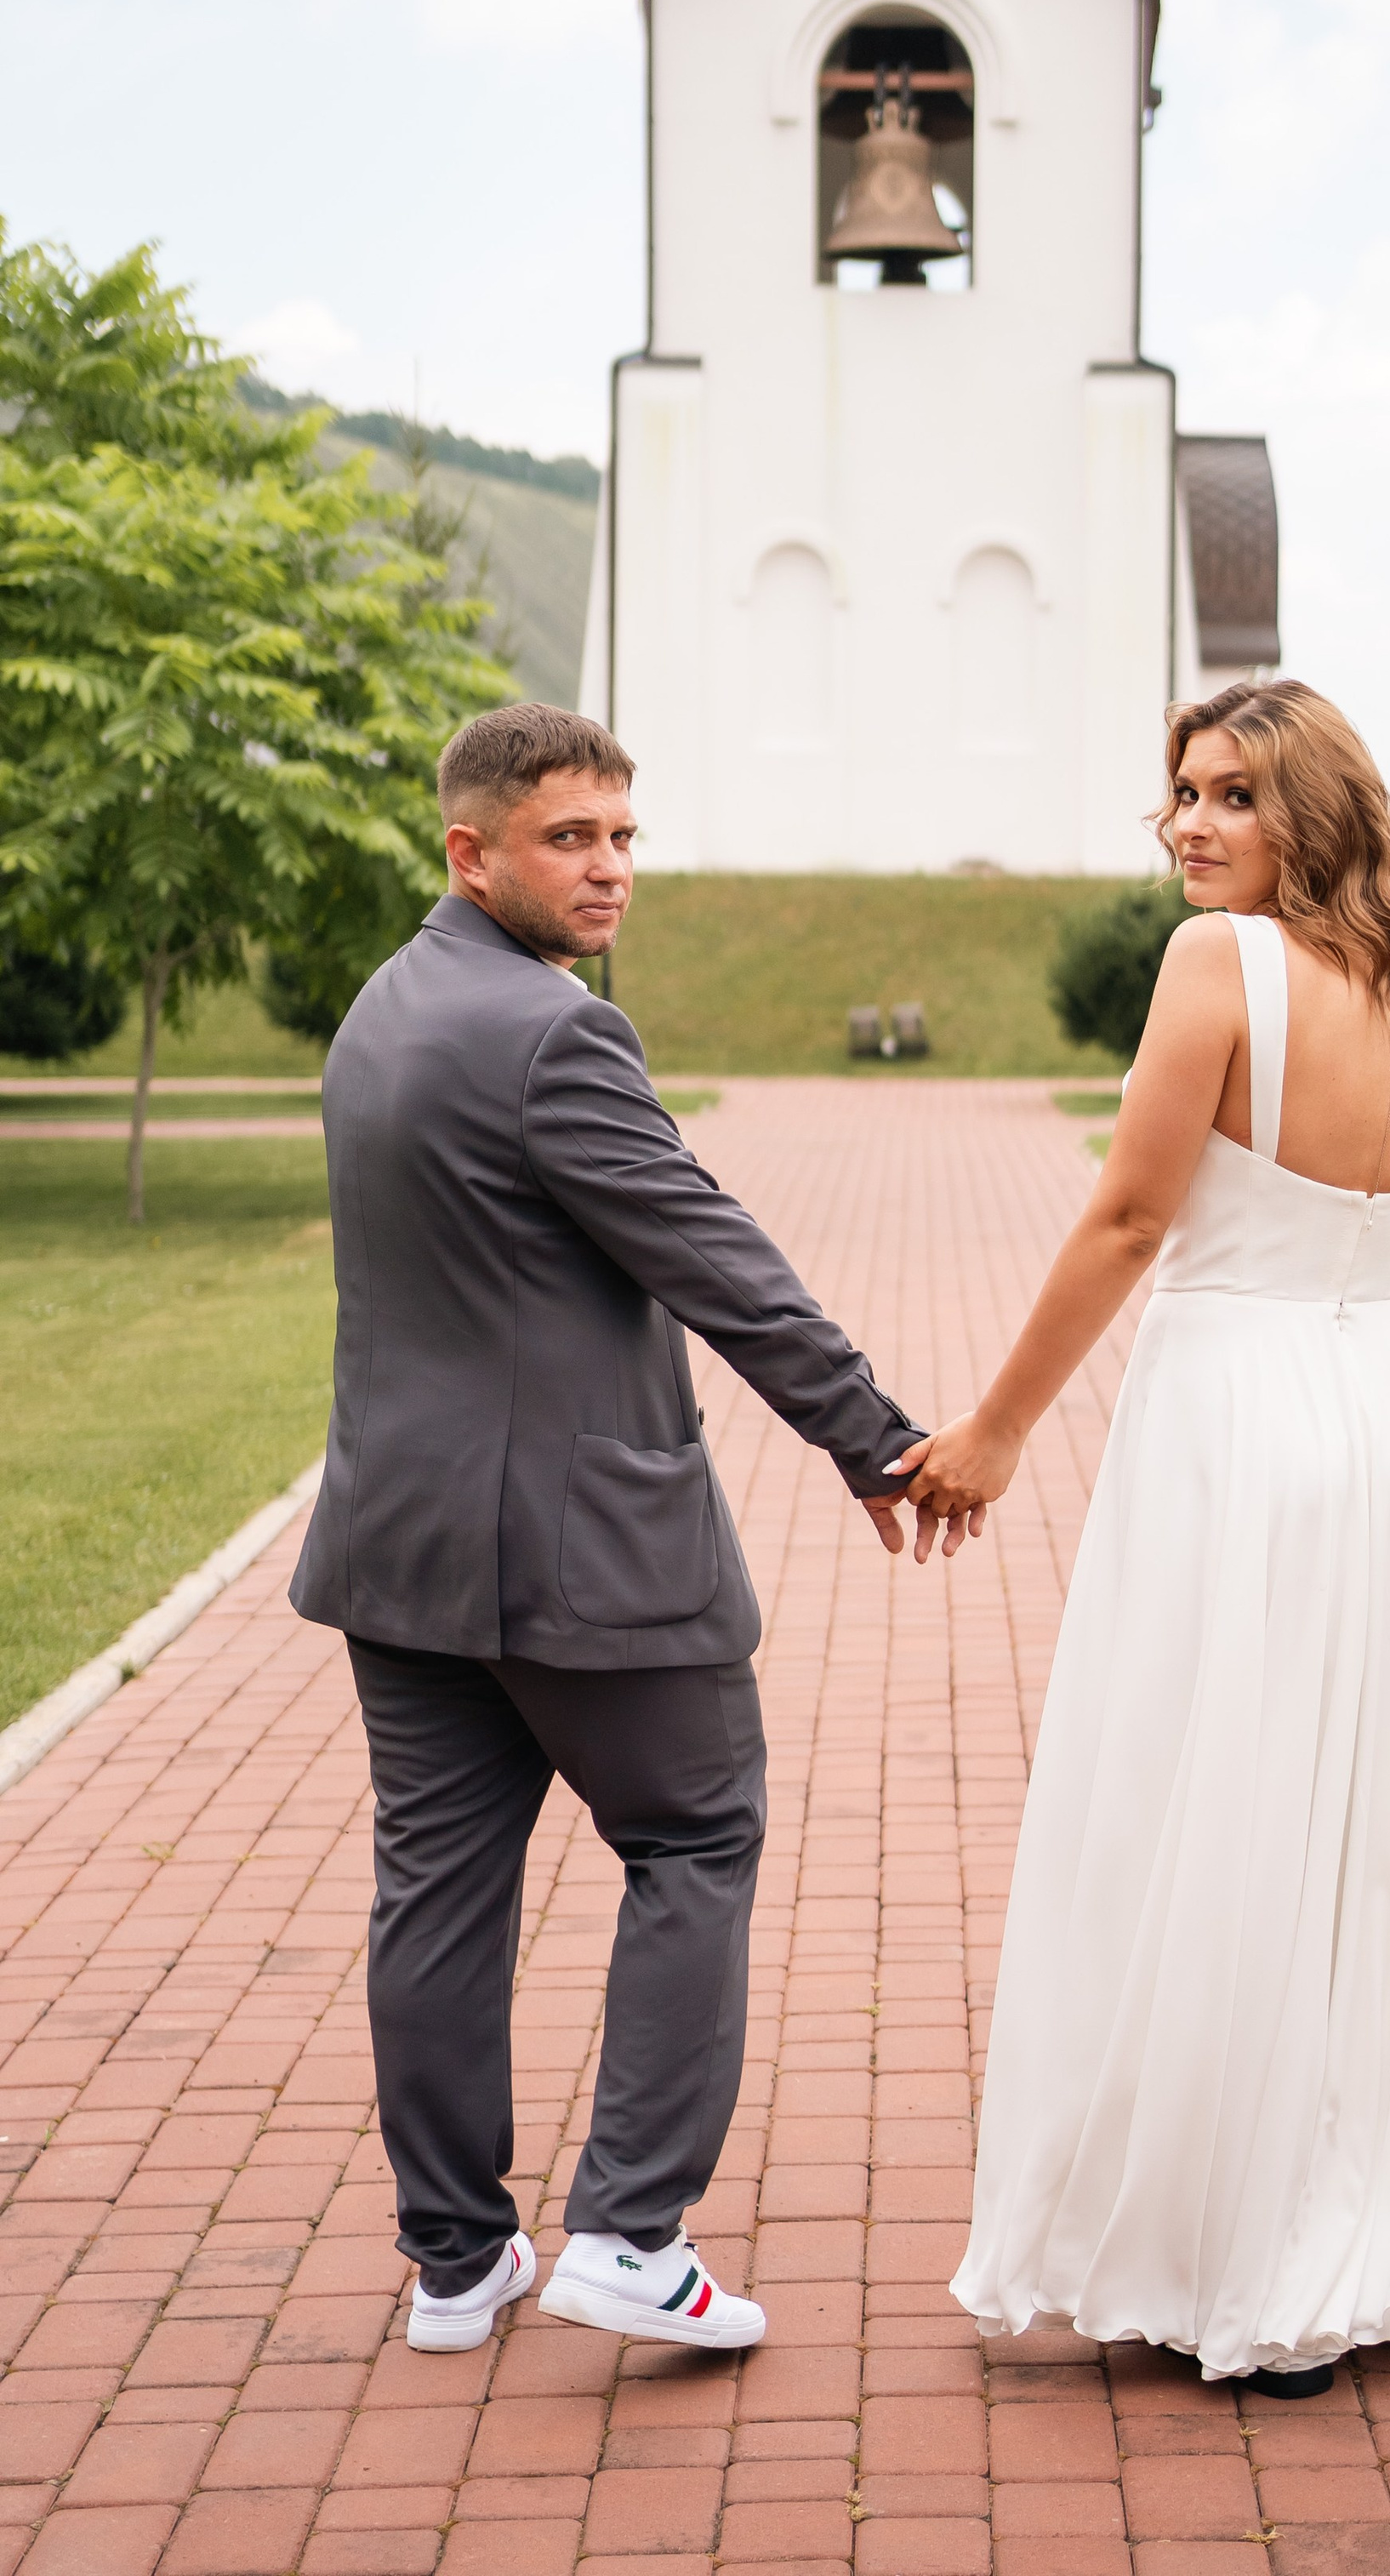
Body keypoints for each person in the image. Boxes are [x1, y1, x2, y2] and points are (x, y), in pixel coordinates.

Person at [897, 680, 1390, 2391]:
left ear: (1313, 813)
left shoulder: (1217, 970)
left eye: (1228, 795)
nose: (1186, 824)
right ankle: (1388, 2215)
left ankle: (1237, 2243)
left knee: (1203, 1791)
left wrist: (990, 1431)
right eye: (1180, 794)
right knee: (1356, 1811)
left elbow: (1133, 1213)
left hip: (1226, 1419)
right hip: (1363, 1427)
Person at [290, 704, 958, 2357]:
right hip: (576, 1549)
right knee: (696, 1831)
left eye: (622, 835)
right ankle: (629, 2236)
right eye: (567, 839)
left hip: (397, 1540)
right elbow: (708, 1254)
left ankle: (457, 2266)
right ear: (472, 852)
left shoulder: (381, 1013)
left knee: (436, 1894)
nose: (608, 870)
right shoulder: (550, 1034)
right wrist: (874, 1439)